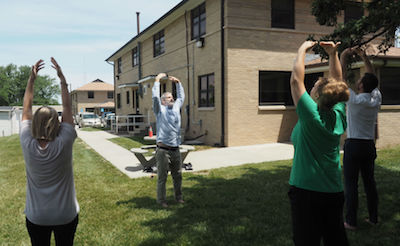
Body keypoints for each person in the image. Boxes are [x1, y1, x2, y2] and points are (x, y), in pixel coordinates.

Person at [288, 41, 350, 246]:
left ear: (317, 95)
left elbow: (296, 81)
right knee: (335, 239)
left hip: (306, 192)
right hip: (333, 190)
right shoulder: (339, 114)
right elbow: (338, 80)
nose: (310, 86)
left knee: (307, 241)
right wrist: (333, 54)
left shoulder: (311, 115)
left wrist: (302, 49)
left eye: (313, 86)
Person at [20, 58, 79, 246]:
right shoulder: (65, 140)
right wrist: (62, 80)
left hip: (37, 217)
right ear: (57, 123)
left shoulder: (26, 141)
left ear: (35, 123)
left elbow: (27, 108)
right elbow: (68, 107)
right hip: (66, 215)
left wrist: (31, 79)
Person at [340, 47, 382, 230]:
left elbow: (341, 79)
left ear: (361, 86)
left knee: (351, 185)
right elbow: (371, 77)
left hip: (353, 145)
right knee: (369, 183)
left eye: (360, 80)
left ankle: (350, 221)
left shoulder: (354, 100)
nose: (358, 81)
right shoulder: (376, 99)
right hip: (368, 146)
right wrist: (365, 58)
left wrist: (342, 56)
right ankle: (374, 218)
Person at [152, 73, 185, 208]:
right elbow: (155, 97)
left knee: (178, 176)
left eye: (172, 97)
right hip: (163, 150)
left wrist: (178, 83)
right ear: (163, 101)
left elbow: (181, 97)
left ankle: (179, 197)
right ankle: (161, 201)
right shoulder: (160, 110)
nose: (172, 99)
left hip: (175, 149)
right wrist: (157, 80)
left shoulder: (176, 107)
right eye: (168, 97)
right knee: (162, 178)